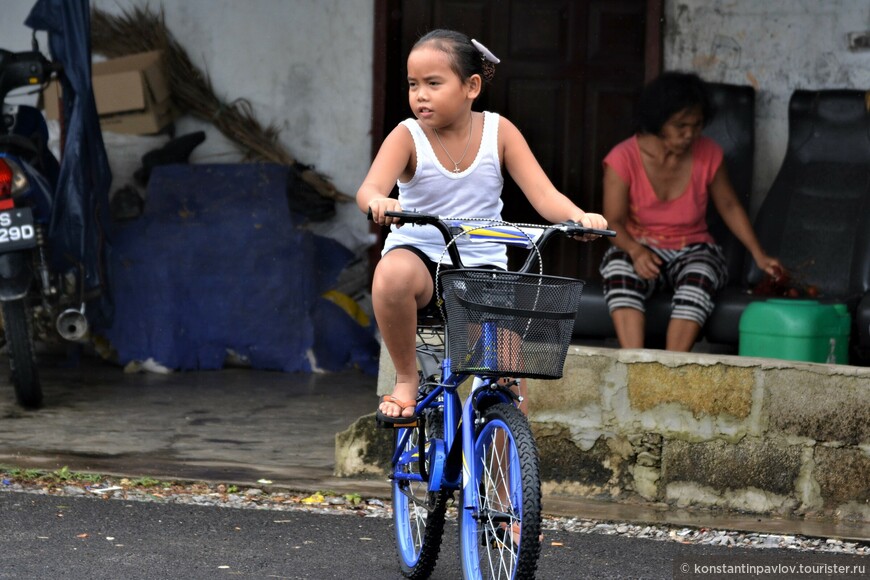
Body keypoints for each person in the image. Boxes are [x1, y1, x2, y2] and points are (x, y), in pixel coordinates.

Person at [356, 29, 608, 423]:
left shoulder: (499, 132)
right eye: (413, 84)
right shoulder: (407, 136)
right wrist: (378, 201)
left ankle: (507, 477)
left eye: (433, 84)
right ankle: (406, 378)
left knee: (508, 386)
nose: (420, 94)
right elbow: (370, 187)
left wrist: (578, 216)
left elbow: (544, 196)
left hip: (482, 268)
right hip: (421, 260)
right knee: (391, 274)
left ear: (471, 86)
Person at [599, 71, 783, 351]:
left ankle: (673, 367)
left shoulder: (709, 153)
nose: (689, 135)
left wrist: (759, 255)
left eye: (696, 126)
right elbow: (613, 222)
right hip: (640, 246)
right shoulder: (623, 158)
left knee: (701, 275)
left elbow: (730, 206)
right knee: (618, 269)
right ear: (658, 122)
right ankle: (632, 363)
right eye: (680, 126)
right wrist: (635, 251)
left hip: (695, 248)